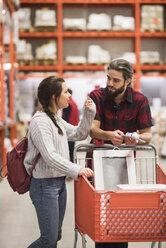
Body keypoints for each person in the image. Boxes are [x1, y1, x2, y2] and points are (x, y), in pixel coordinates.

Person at [24, 76, 95, 248]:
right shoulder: (40, 122)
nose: (69, 95)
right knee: (48, 239)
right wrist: (77, 169)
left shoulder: (55, 119)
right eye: (65, 91)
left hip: (59, 184)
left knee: (55, 236)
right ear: (54, 97)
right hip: (44, 186)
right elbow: (50, 156)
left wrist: (88, 113)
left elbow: (79, 134)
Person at [89, 58, 153, 248]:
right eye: (108, 78)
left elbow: (147, 134)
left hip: (124, 170)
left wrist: (136, 138)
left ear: (127, 81)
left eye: (115, 80)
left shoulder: (140, 101)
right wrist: (107, 134)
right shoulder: (96, 96)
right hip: (97, 167)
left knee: (120, 222)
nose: (109, 83)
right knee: (100, 223)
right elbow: (92, 129)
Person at [62, 88, 79, 162]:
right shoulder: (74, 103)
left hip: (68, 130)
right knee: (71, 152)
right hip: (74, 129)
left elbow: (65, 117)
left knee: (67, 153)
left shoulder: (68, 105)